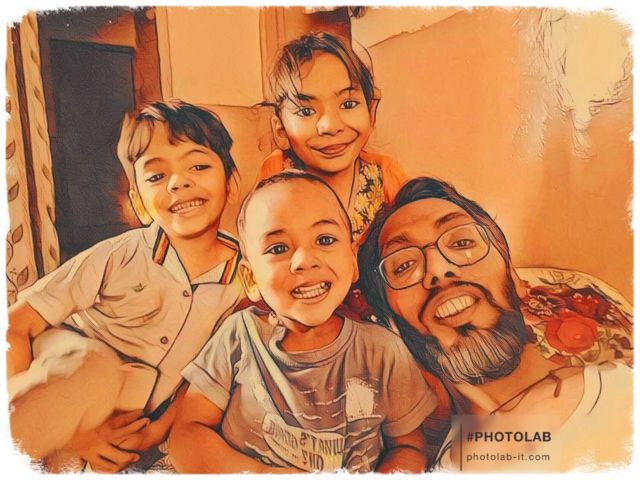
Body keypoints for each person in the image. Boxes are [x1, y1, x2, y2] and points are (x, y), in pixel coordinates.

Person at [7, 100, 244, 472]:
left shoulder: (246, 279)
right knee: (95, 366)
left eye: (198, 166)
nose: (178, 182)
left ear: (230, 182)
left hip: (132, 418)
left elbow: (204, 376)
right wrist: (71, 436)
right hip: (68, 367)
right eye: (156, 176)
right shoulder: (120, 254)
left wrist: (158, 431)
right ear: (139, 203)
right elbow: (15, 325)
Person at [168, 171, 437, 473]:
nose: (304, 260)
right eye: (278, 249)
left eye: (325, 240)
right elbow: (186, 436)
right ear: (251, 278)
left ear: (352, 261)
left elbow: (408, 448)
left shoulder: (383, 350)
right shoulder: (239, 335)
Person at [358, 177, 633, 472]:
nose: (439, 269)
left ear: (513, 276)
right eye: (403, 266)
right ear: (391, 325)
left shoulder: (625, 393)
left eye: (461, 242)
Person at [258, 32, 407, 244]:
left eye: (348, 104)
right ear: (281, 131)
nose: (330, 126)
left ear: (371, 113)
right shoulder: (277, 173)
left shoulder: (384, 174)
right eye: (306, 111)